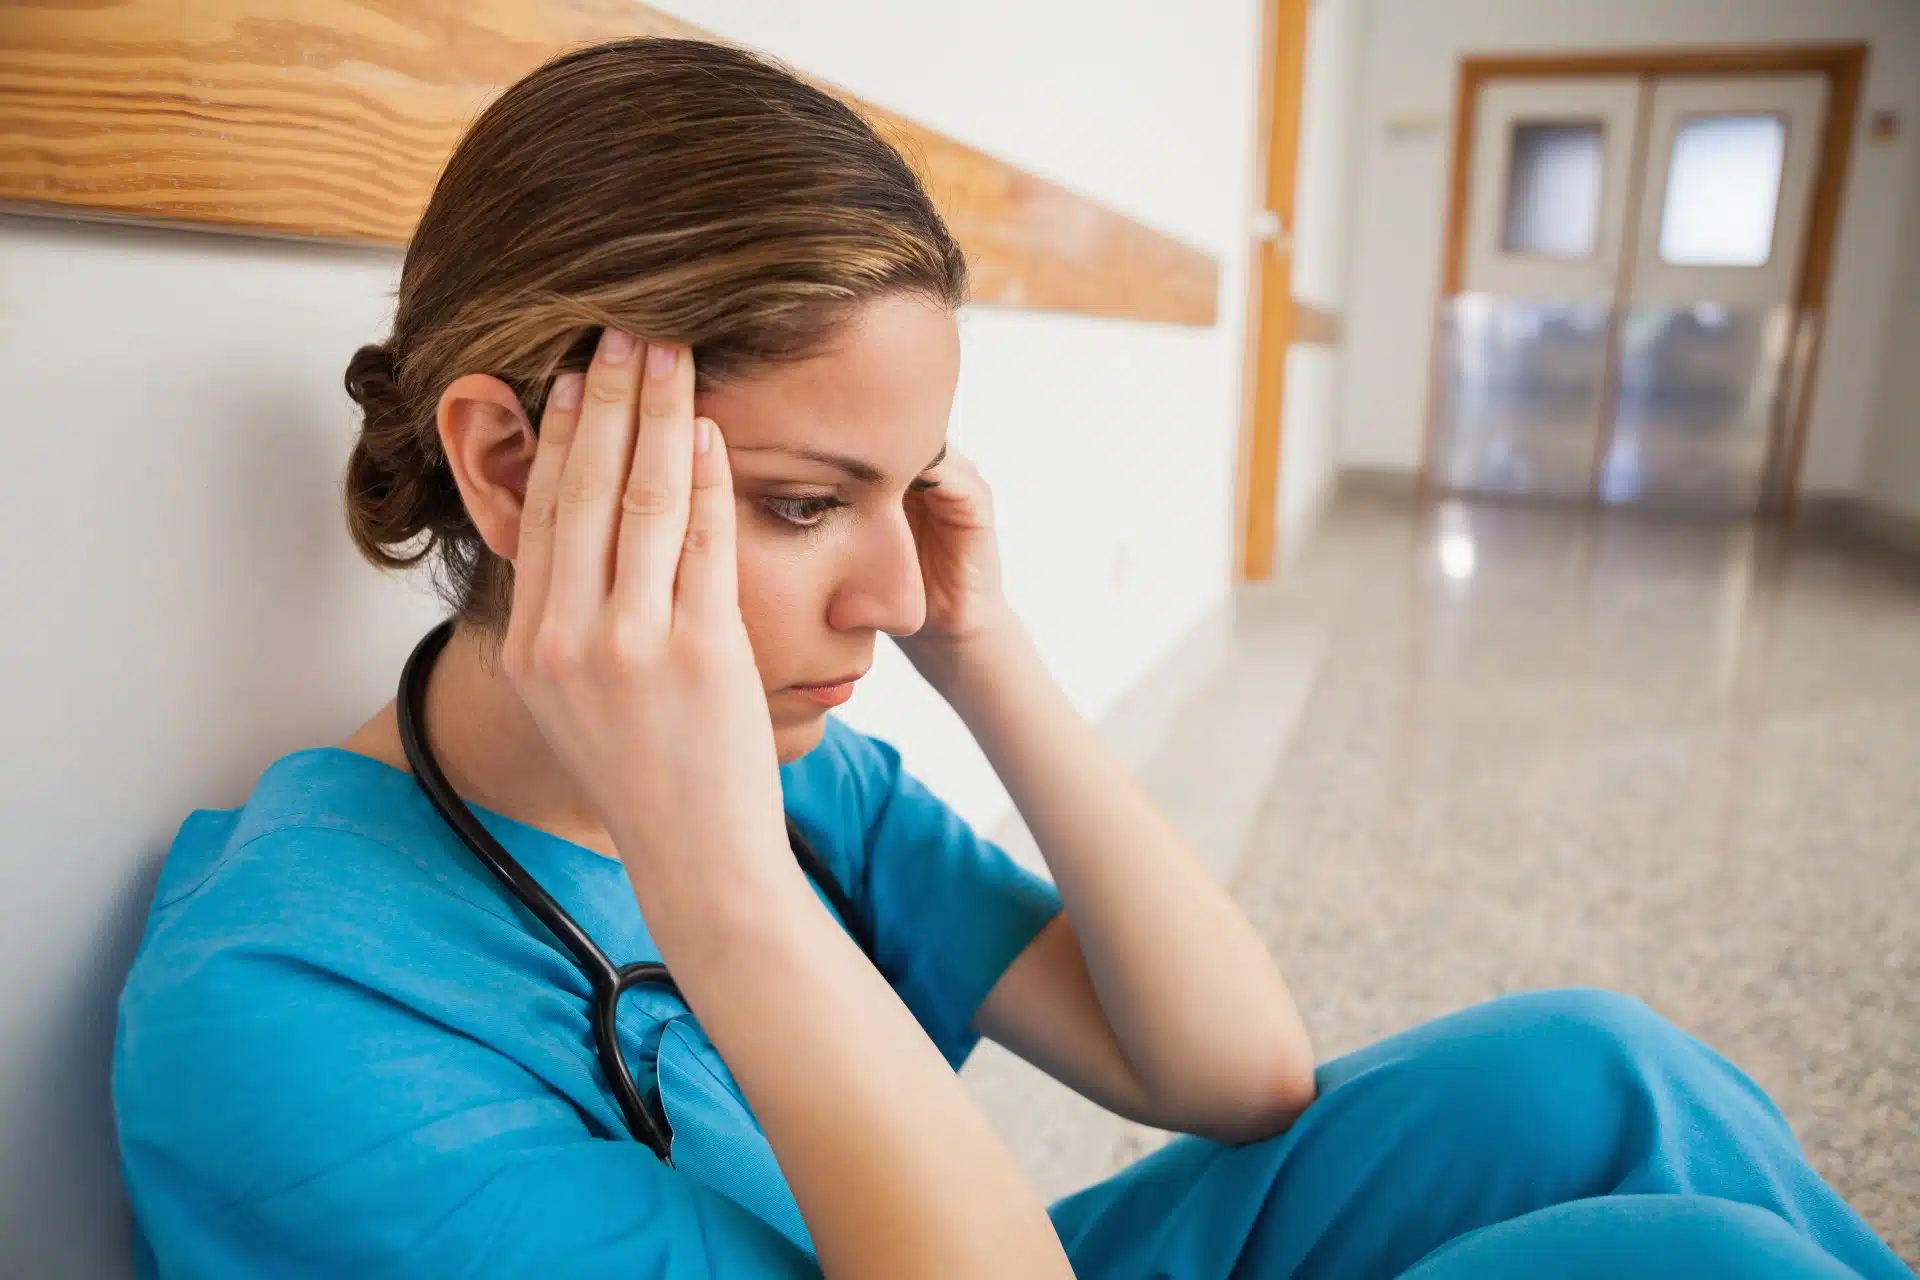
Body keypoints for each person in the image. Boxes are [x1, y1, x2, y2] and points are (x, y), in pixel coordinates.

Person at [112, 37, 1907, 1280]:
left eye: (910, 495)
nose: (890, 589)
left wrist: (992, 653)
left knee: (1594, 1069)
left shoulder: (820, 786)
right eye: (812, 504)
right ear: (513, 467)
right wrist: (721, 887)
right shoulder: (284, 1008)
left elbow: (1238, 1075)